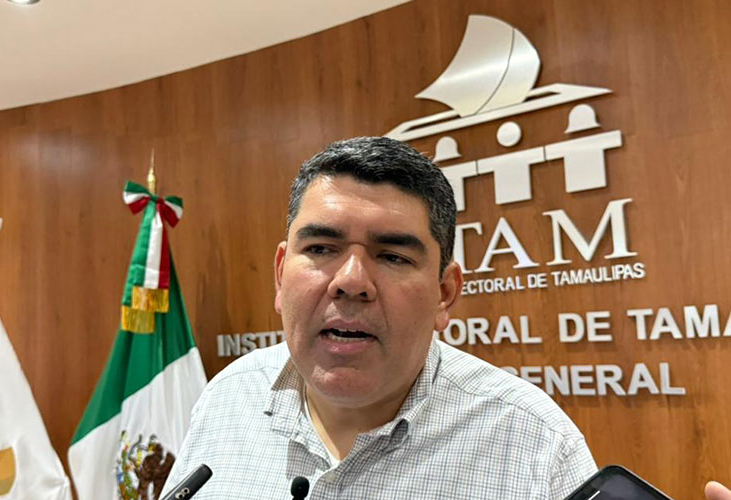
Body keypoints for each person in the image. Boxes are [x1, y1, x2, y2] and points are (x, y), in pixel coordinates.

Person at [164, 137, 598, 499]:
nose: (351, 281)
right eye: (320, 249)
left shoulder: (535, 442)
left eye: (392, 256)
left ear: (445, 293)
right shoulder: (228, 398)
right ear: (280, 275)